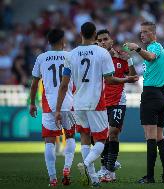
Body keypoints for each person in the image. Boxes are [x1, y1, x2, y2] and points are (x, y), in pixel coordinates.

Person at [55, 22, 138, 187]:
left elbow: (64, 85)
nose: (102, 42)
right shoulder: (101, 54)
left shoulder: (70, 55)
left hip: (78, 103)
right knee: (101, 139)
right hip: (97, 102)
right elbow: (109, 79)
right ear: (94, 36)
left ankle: (94, 177)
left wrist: (58, 109)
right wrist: (126, 79)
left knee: (86, 138)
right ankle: (87, 165)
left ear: (80, 34)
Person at [124, 21, 164, 183]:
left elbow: (150, 57)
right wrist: (129, 60)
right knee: (159, 136)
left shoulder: (154, 47)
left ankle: (150, 177)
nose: (141, 34)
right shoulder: (156, 48)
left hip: (151, 94)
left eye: (144, 32)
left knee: (150, 136)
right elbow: (139, 75)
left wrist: (136, 48)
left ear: (153, 33)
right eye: (140, 32)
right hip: (161, 93)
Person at [29, 29, 76, 187]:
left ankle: (53, 178)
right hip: (69, 103)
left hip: (49, 105)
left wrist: (32, 103)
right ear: (63, 41)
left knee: (49, 142)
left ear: (48, 42)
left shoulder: (41, 58)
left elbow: (35, 83)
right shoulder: (70, 56)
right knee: (69, 137)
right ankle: (67, 169)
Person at [96, 29, 137, 182]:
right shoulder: (96, 59)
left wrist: (130, 60)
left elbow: (133, 77)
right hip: (100, 101)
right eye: (99, 40)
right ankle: (108, 169)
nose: (102, 42)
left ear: (111, 41)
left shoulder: (121, 57)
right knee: (101, 136)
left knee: (113, 132)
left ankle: (108, 168)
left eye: (105, 39)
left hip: (118, 100)